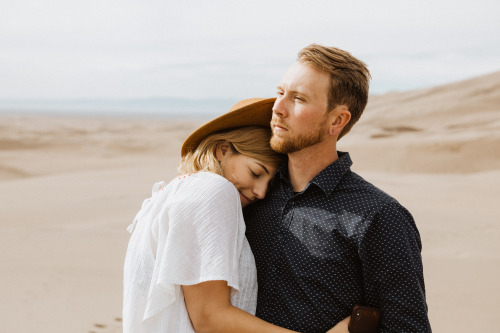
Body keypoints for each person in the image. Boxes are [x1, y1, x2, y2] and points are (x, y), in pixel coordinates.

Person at [244, 44, 432, 332]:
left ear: (337, 120)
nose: (277, 108)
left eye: (298, 98)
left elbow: (407, 327)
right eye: (280, 92)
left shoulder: (380, 217)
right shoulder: (250, 193)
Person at [122, 98, 350, 333]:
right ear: (222, 150)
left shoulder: (166, 196)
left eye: (269, 184)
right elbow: (211, 319)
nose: (261, 193)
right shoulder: (213, 190)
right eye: (255, 172)